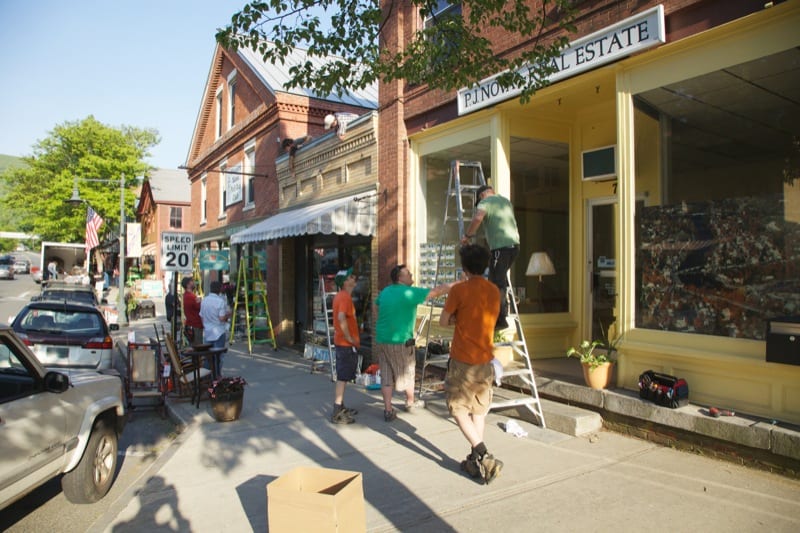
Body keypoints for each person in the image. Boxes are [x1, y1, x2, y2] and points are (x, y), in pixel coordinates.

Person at [439, 244, 503, 485]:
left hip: (463, 360)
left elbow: (444, 321)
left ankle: (484, 454)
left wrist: (458, 318)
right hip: (486, 360)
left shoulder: (459, 290)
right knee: (478, 410)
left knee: (457, 409)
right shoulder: (494, 290)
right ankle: (475, 461)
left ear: (464, 267)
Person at [374, 264, 458, 422]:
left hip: (382, 338)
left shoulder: (386, 291)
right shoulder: (409, 292)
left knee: (386, 374)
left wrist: (383, 321)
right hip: (400, 341)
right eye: (408, 273)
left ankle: (388, 409)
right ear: (400, 278)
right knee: (407, 371)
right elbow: (437, 291)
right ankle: (410, 402)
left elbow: (376, 305)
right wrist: (457, 283)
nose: (411, 275)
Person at [460, 185, 520, 329]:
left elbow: (478, 218)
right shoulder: (505, 201)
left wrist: (467, 236)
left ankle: (500, 318)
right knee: (498, 279)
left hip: (500, 247)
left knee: (496, 283)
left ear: (482, 195)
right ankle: (498, 314)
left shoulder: (485, 202)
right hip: (514, 246)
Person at [330, 268, 360, 425]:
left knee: (345, 375)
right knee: (343, 377)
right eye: (351, 277)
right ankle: (337, 411)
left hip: (343, 343)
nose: (354, 279)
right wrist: (349, 337)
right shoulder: (344, 298)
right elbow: (341, 317)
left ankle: (341, 406)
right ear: (345, 282)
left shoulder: (342, 296)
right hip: (345, 344)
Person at [200, 281, 232, 376]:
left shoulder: (204, 300)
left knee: (208, 356)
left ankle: (206, 376)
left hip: (208, 332)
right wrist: (229, 315)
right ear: (219, 290)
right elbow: (222, 318)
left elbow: (201, 316)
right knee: (218, 356)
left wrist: (206, 325)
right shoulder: (220, 301)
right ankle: (217, 376)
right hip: (218, 331)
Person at [181, 277, 203, 346]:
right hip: (195, 325)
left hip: (192, 325)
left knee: (195, 346)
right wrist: (200, 301)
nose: (193, 282)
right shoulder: (190, 297)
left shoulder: (187, 296)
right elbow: (200, 307)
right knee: (198, 347)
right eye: (191, 281)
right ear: (187, 285)